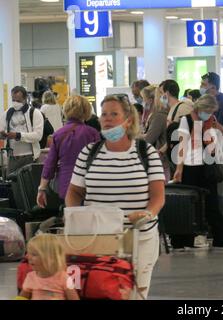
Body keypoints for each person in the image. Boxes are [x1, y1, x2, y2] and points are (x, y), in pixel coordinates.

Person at [65, 95, 165, 300]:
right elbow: (74, 192)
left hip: (139, 237)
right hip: (98, 238)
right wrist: (76, 215)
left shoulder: (146, 152)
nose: (107, 119)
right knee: (98, 291)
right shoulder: (88, 153)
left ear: (128, 120)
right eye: (103, 114)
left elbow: (158, 196)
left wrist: (147, 213)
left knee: (134, 294)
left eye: (114, 114)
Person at [172, 94, 223, 250]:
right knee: (189, 206)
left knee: (212, 205)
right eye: (208, 110)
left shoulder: (212, 122)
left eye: (212, 111)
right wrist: (179, 169)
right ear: (200, 108)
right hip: (189, 168)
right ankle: (182, 241)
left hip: (208, 167)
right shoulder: (186, 120)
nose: (210, 114)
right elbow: (182, 146)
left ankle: (222, 237)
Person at [37, 95, 100, 206]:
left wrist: (42, 189)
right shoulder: (93, 133)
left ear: (65, 110)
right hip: (90, 185)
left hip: (67, 184)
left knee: (72, 218)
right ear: (87, 111)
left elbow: (49, 164)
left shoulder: (58, 134)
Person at [18, 234, 79, 300]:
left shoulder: (64, 278)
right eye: (28, 253)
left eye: (34, 254)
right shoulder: (31, 277)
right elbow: (22, 297)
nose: (28, 257)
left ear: (51, 258)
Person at [0, 86, 44, 174]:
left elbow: (38, 135)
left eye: (18, 100)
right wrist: (2, 135)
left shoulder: (35, 113)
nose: (15, 103)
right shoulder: (7, 113)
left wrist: (18, 135)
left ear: (25, 99)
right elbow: (2, 130)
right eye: (13, 100)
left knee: (30, 186)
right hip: (12, 158)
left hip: (30, 157)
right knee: (12, 186)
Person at [141, 85, 171, 183]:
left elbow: (149, 138)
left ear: (150, 100)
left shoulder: (159, 116)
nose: (143, 102)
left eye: (143, 99)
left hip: (162, 160)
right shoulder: (161, 113)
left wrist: (134, 136)